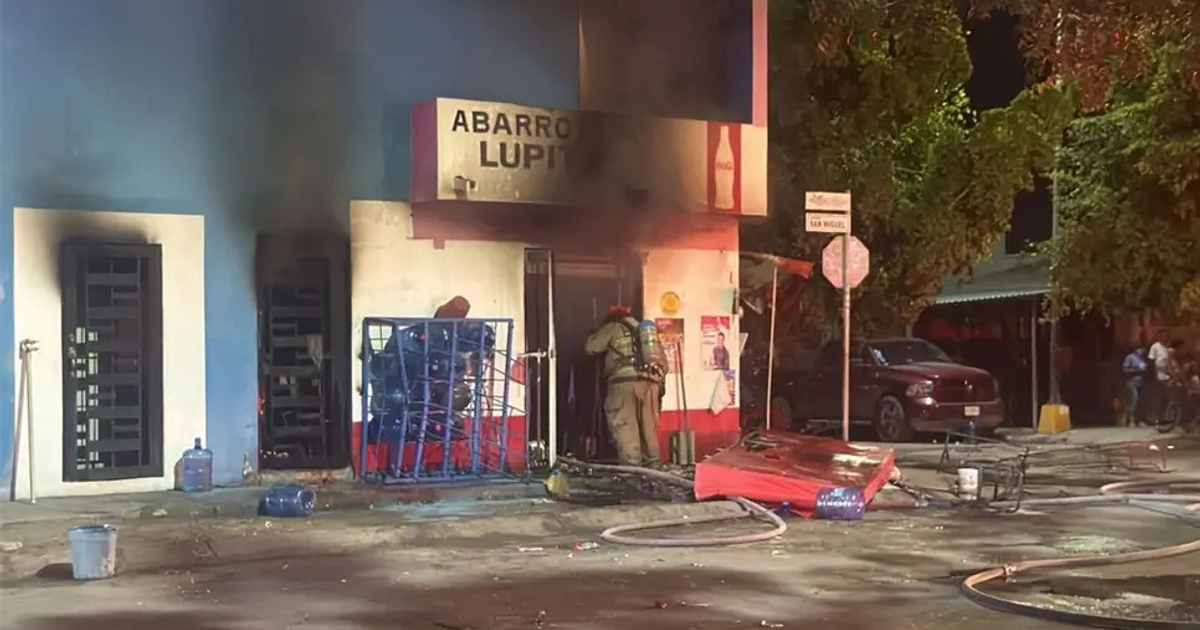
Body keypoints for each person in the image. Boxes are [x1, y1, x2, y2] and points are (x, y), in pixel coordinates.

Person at [585, 305, 668, 468]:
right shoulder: (647, 334)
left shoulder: (613, 327)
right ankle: (656, 475)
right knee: (649, 432)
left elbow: (590, 348)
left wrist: (594, 334)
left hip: (623, 385)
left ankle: (633, 477)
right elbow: (664, 365)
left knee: (626, 430)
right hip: (650, 386)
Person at [1147, 329, 1172, 422]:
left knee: (1167, 397)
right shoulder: (1155, 347)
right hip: (1159, 374)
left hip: (1168, 375)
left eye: (1167, 335)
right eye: (1163, 335)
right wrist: (1154, 374)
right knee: (1159, 397)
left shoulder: (1168, 347)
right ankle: (1157, 417)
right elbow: (1151, 361)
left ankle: (1166, 416)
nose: (1165, 337)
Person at [1121, 346, 1148, 426]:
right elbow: (1125, 369)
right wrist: (1137, 370)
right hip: (1131, 382)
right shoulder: (1130, 357)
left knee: (1140, 401)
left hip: (1140, 382)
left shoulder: (1142, 359)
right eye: (1141, 349)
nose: (1142, 351)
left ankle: (1138, 420)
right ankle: (1130, 419)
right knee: (1134, 399)